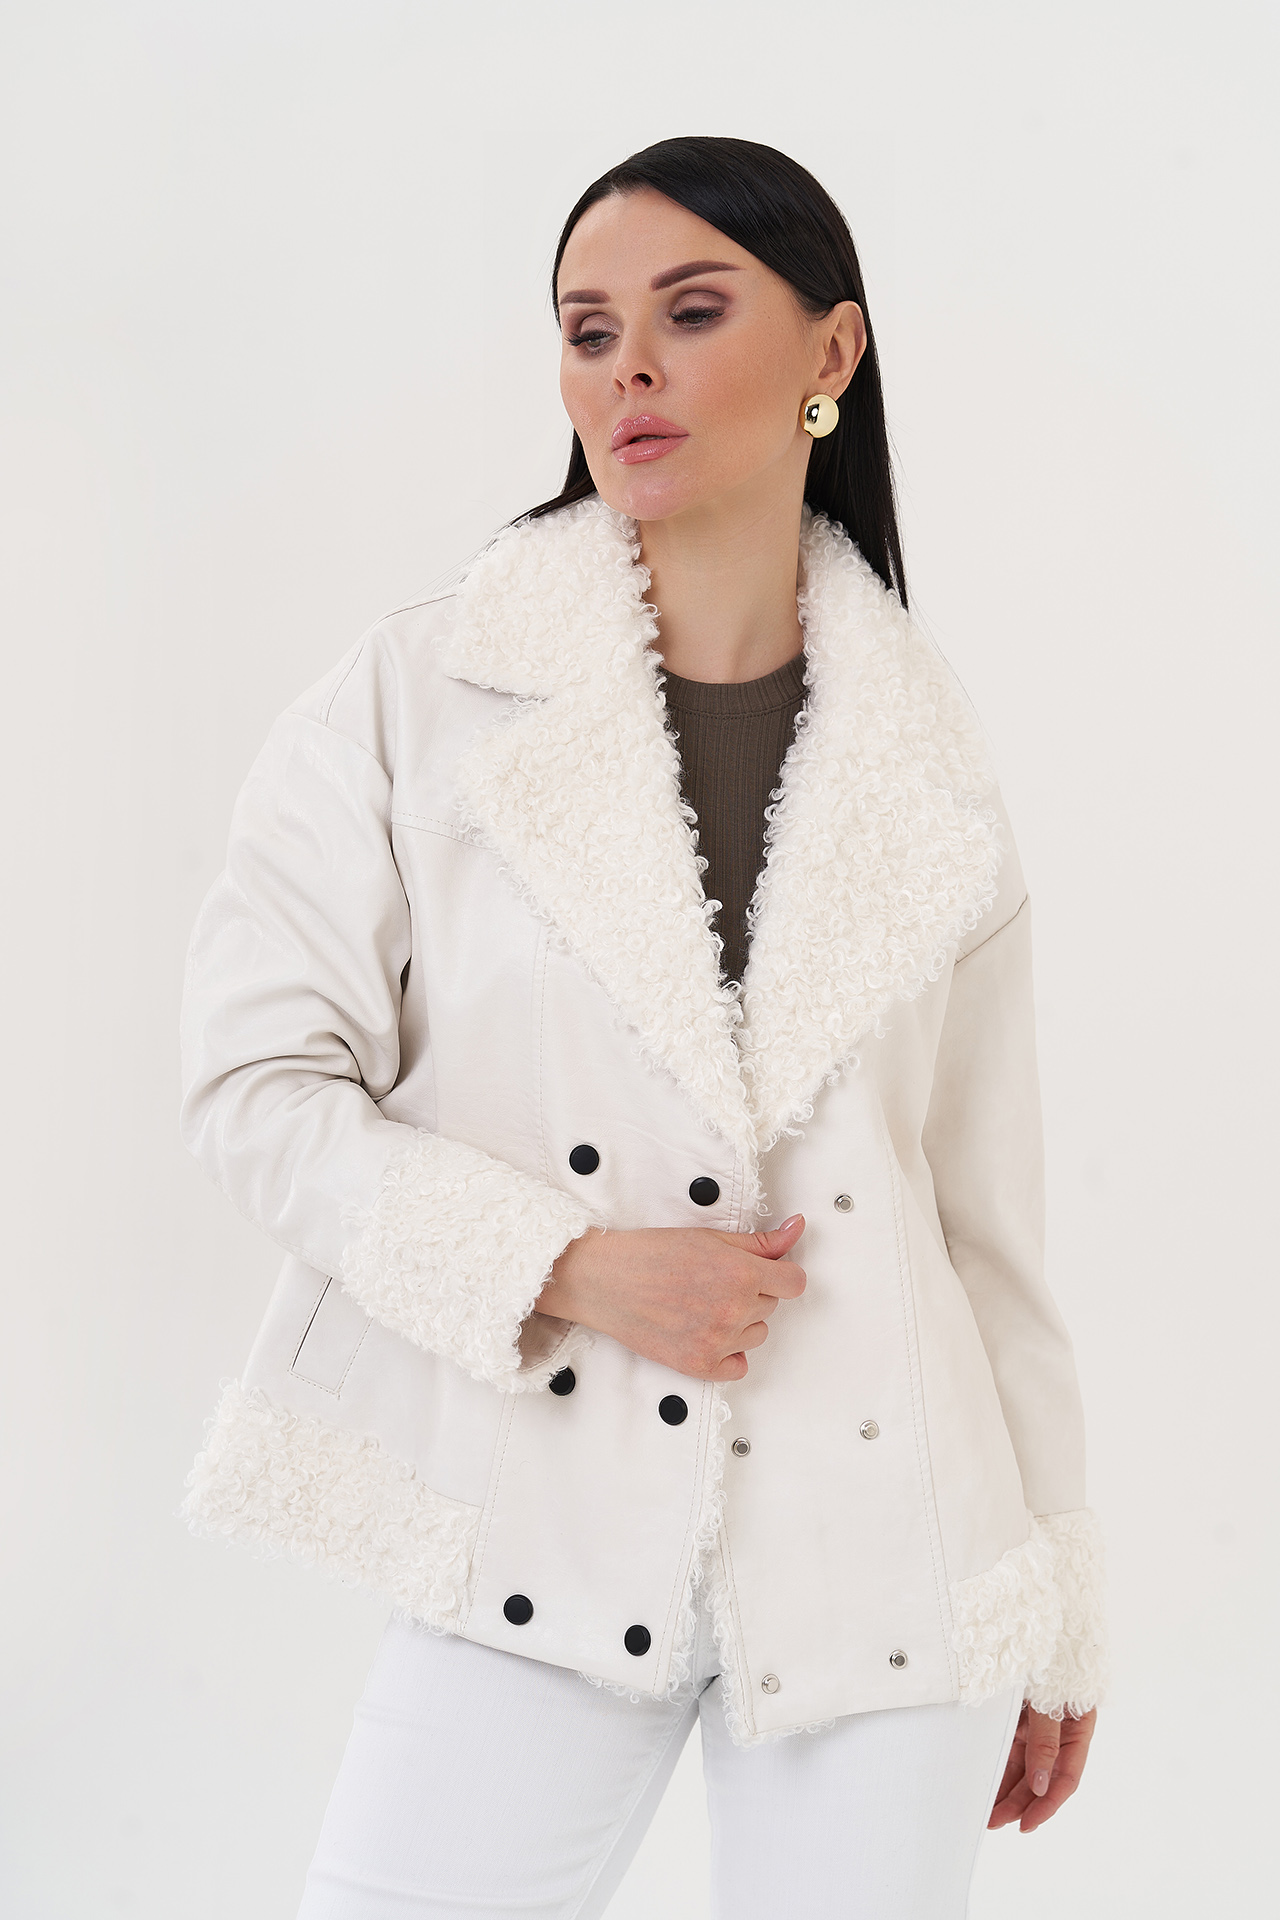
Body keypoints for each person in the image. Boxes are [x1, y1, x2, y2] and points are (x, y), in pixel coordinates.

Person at [179, 136, 1107, 1918]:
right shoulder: (418, 696)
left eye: (691, 313)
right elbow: (256, 1086)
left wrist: (1053, 1596)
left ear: (832, 352)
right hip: (535, 1505)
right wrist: (566, 1266)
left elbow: (988, 1230)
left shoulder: (929, 755)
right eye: (588, 329)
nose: (628, 371)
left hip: (893, 1557)